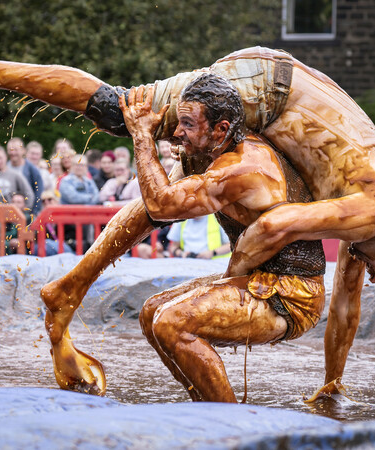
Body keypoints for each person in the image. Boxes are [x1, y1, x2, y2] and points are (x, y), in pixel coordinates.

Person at [0, 47, 375, 396]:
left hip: (269, 84)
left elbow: (347, 312)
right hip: (268, 89)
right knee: (119, 109)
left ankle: (71, 286)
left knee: (169, 198)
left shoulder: (368, 226)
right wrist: (232, 280)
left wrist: (332, 380)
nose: (372, 278)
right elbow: (273, 228)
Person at [120, 74, 327, 401]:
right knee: (151, 313)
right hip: (258, 278)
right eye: (178, 121)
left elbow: (161, 206)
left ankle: (229, 424)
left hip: (292, 293)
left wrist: (142, 135)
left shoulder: (242, 166)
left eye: (186, 123)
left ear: (221, 130)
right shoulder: (220, 149)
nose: (176, 132)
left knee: (171, 322)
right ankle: (206, 407)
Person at [6, 137, 43, 215]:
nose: (13, 153)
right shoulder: (5, 167)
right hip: (7, 212)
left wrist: (34, 213)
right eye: (10, 150)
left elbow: (38, 192)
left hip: (27, 213)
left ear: (23, 151)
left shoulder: (32, 170)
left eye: (16, 150)